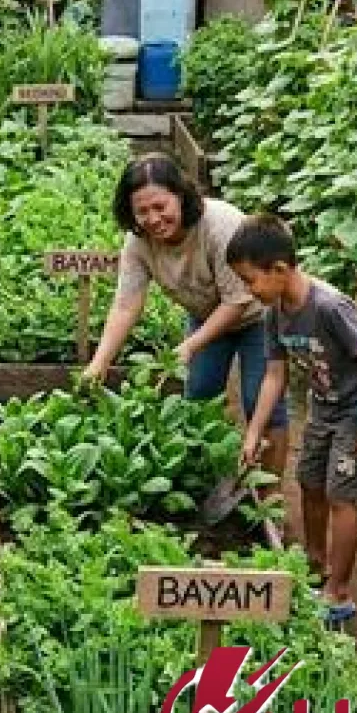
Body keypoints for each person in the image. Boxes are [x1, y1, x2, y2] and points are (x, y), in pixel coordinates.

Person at [82, 155, 289, 521]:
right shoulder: (139, 243)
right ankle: (213, 478)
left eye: (160, 207)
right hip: (207, 315)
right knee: (199, 400)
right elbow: (126, 305)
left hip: (259, 316)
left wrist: (190, 345)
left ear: (180, 196)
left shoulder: (219, 227)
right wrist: (99, 362)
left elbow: (238, 301)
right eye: (142, 211)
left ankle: (269, 499)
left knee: (262, 401)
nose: (153, 219)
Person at [229, 215, 357, 628]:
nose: (248, 291)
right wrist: (252, 431)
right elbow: (274, 374)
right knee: (308, 481)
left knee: (342, 495)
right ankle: (317, 563)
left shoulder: (329, 307)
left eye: (250, 280)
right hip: (325, 404)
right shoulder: (275, 314)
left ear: (280, 270)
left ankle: (339, 593)